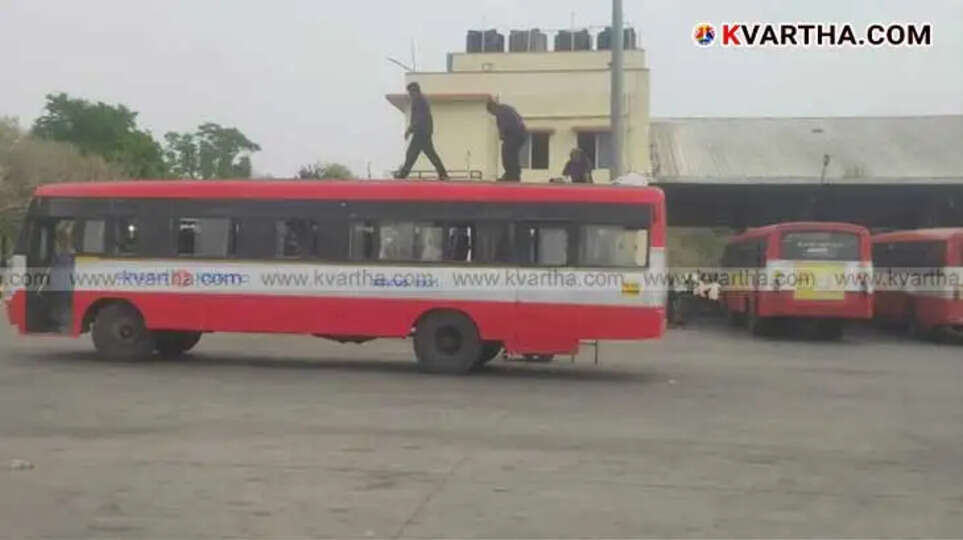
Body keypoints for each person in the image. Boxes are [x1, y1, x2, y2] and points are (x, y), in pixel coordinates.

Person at [395, 82, 449, 180]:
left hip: (421, 133)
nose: (410, 95)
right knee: (427, 154)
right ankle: (443, 174)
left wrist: (409, 129)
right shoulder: (422, 100)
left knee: (412, 154)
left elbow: (419, 118)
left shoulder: (419, 100)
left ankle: (403, 174)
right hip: (424, 132)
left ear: (415, 91)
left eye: (410, 93)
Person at [486, 98, 527, 182]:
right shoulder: (507, 108)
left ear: (493, 108)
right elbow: (519, 118)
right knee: (513, 154)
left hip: (514, 134)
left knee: (507, 153)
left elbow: (504, 126)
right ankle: (514, 174)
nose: (493, 114)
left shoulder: (500, 112)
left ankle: (511, 175)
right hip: (521, 133)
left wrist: (502, 135)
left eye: (491, 112)